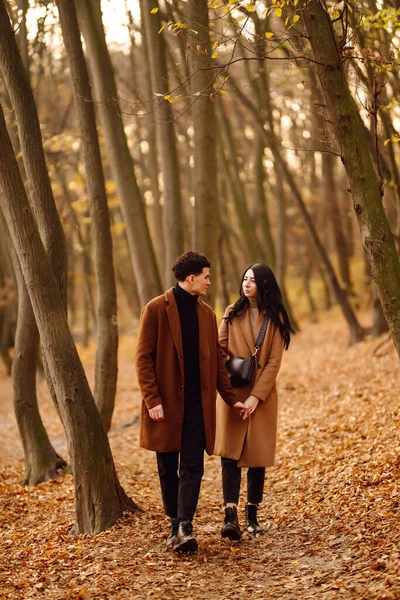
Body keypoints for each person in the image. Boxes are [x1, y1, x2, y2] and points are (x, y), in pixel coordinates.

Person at [135, 251, 246, 553]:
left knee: (193, 467)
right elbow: (143, 358)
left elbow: (218, 364)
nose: (210, 282)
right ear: (192, 277)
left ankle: (185, 524)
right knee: (168, 467)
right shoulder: (156, 309)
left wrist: (231, 399)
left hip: (199, 404)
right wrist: (152, 399)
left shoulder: (207, 314)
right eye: (206, 276)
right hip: (166, 404)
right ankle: (174, 524)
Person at [214, 263, 294, 540]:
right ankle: (230, 516)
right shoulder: (231, 313)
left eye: (252, 280)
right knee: (229, 455)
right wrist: (229, 378)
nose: (246, 284)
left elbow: (273, 363)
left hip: (261, 396)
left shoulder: (276, 318)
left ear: (264, 284)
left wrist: (255, 398)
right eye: (244, 279)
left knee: (257, 457)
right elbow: (219, 348)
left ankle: (252, 515)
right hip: (232, 394)